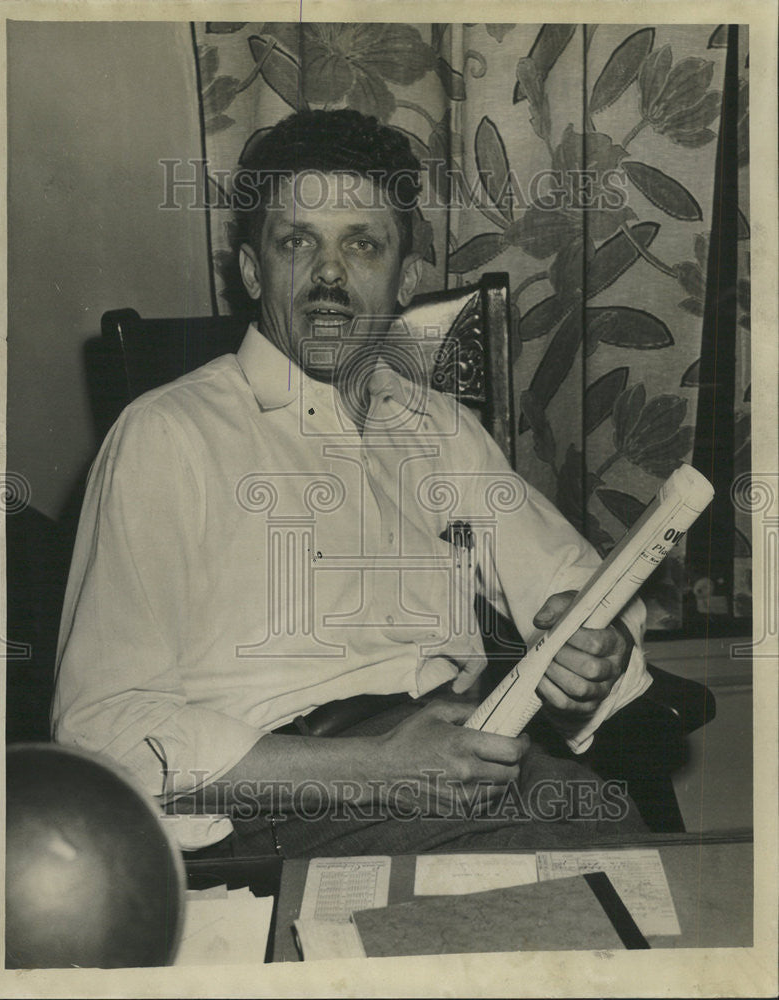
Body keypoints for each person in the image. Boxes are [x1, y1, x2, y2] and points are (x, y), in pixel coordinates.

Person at [52, 109, 651, 855]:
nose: (330, 273)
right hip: (283, 805)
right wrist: (373, 768)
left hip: (471, 768)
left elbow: (580, 590)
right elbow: (100, 730)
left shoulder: (438, 428)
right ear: (250, 271)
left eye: (361, 245)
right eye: (297, 241)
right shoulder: (165, 436)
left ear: (406, 280)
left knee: (637, 864)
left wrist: (596, 649)